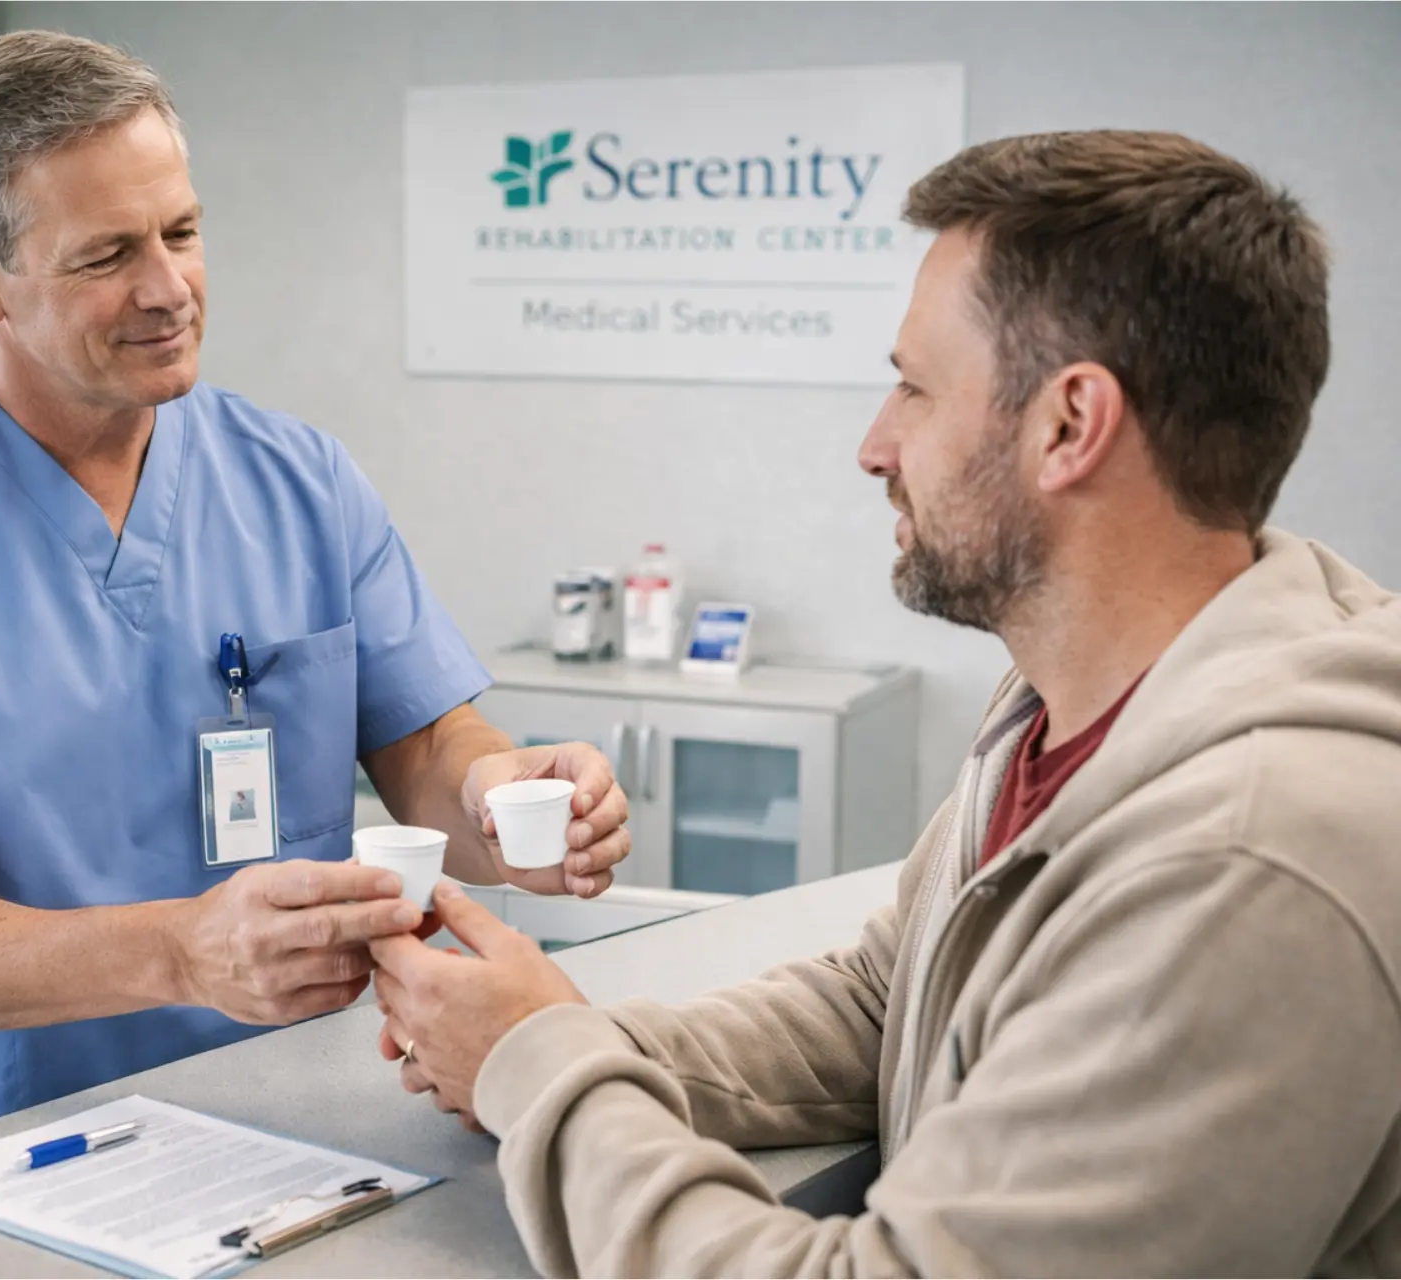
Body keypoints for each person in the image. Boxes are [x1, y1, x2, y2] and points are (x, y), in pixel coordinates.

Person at [371, 129, 1401, 1276]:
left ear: (1070, 423)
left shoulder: (1247, 859)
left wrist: (543, 1066)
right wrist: (567, 1037)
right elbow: (889, 998)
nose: (874, 444)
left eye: (913, 386)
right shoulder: (1074, 703)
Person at [0, 31, 630, 1179]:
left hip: (279, 1116)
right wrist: (183, 951)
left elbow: (426, 741)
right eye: (106, 255)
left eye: (181, 231)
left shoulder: (299, 480)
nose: (168, 287)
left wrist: (504, 798)